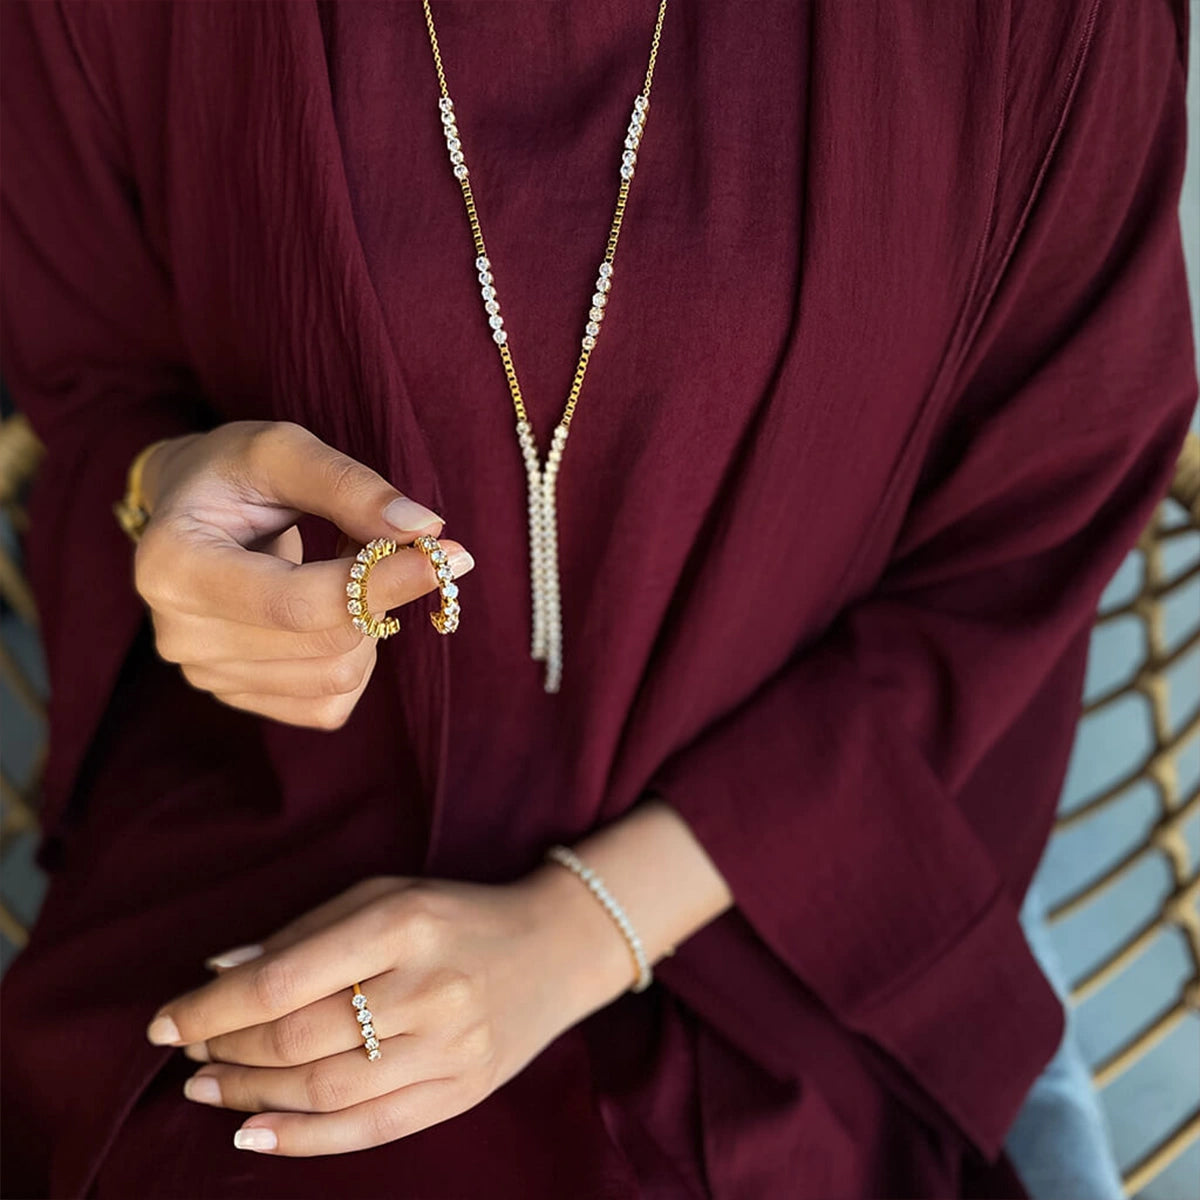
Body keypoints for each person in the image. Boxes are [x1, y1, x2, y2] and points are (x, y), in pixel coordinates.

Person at [1, 1, 1195, 1196]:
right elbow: (98, 386)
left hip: (775, 909)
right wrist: (161, 504)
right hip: (276, 857)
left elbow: (1031, 524)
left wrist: (585, 928)